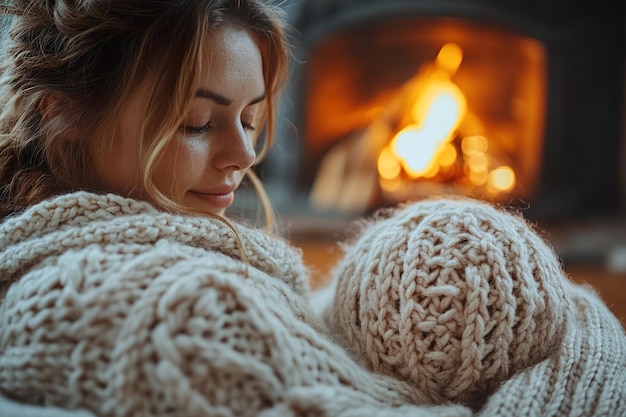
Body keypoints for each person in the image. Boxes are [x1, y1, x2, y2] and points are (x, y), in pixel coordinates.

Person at [0, 1, 624, 416]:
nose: (242, 155)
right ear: (63, 118)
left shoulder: (162, 258)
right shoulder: (159, 312)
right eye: (197, 123)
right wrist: (584, 330)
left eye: (249, 119)